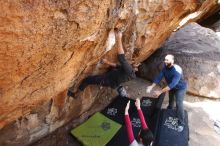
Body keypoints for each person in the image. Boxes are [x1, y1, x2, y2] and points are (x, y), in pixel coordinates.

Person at [67, 29, 140, 98]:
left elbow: (122, 59)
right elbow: (118, 66)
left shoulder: (130, 70)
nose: (136, 63)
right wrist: (107, 62)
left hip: (108, 80)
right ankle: (117, 86)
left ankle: (75, 95)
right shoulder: (130, 71)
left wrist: (118, 38)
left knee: (87, 80)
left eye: (137, 65)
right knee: (113, 68)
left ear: (136, 69)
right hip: (113, 77)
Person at [146, 54, 187, 132]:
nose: (165, 61)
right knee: (171, 101)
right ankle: (169, 111)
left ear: (172, 61)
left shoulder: (177, 70)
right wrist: (151, 86)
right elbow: (159, 77)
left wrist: (160, 92)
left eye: (167, 60)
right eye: (165, 59)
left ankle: (181, 123)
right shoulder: (165, 68)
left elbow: (172, 84)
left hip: (180, 88)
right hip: (171, 87)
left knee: (179, 103)